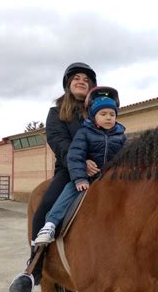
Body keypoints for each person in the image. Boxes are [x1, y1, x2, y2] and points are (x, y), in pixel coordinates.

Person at [9, 62, 103, 292]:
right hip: (69, 170)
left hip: (102, 169)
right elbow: (58, 141)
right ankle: (34, 267)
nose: (82, 81)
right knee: (43, 210)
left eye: (86, 79)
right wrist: (80, 162)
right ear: (68, 85)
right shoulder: (56, 113)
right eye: (76, 79)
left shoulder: (99, 113)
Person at [34, 91, 126, 244]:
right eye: (103, 114)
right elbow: (75, 154)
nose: (109, 117)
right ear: (94, 116)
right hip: (87, 176)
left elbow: (127, 157)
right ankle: (50, 225)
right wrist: (80, 177)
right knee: (69, 191)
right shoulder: (85, 132)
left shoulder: (121, 136)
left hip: (111, 178)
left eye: (112, 114)